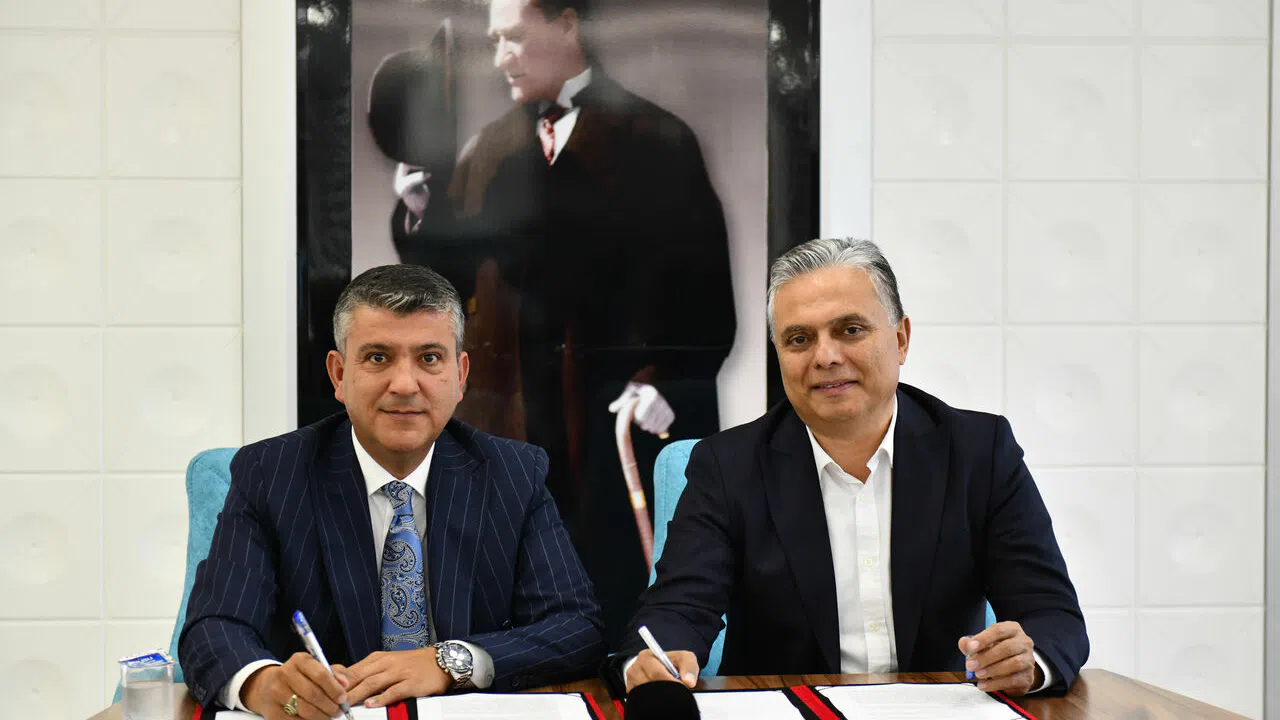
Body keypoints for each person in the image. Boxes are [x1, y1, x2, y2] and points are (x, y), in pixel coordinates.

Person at [389, 0, 736, 649]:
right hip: (513, 418)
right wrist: (419, 214)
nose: (502, 58)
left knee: (620, 599)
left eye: (516, 38)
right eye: (494, 41)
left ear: (568, 25)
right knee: (514, 610)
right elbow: (450, 290)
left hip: (613, 420)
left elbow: (706, 292)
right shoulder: (488, 150)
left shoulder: (658, 141)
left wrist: (666, 380)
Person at [616, 238, 1088, 697]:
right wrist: (656, 658)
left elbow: (1051, 614)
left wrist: (1030, 662)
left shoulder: (979, 452)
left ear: (900, 339)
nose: (825, 357)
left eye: (850, 330)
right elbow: (678, 607)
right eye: (799, 339)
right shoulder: (727, 467)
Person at [179, 265, 605, 718]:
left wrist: (451, 661)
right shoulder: (272, 474)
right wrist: (263, 683)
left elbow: (577, 627)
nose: (404, 385)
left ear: (461, 375)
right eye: (378, 357)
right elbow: (213, 627)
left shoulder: (513, 474)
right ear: (339, 374)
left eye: (429, 358)